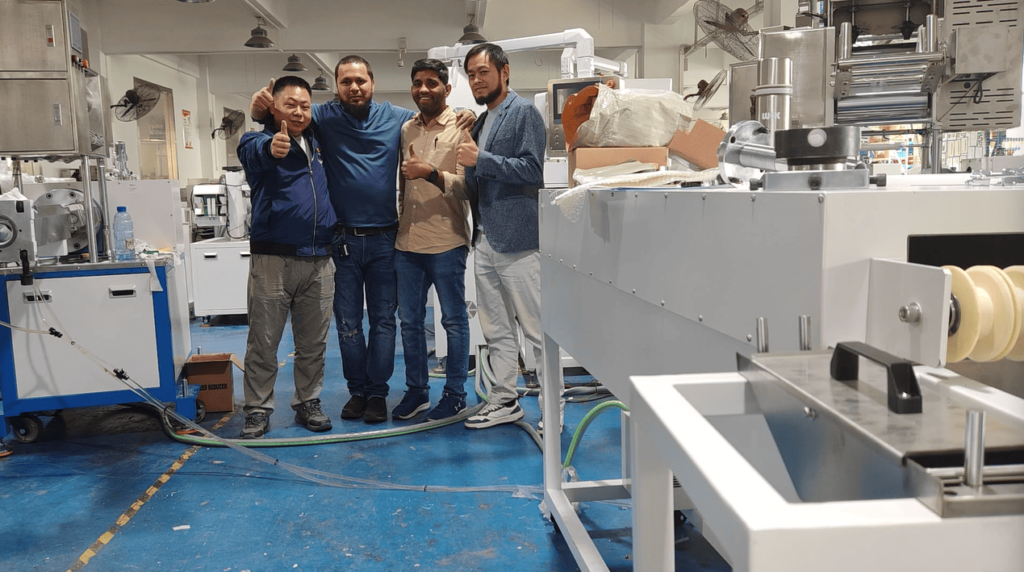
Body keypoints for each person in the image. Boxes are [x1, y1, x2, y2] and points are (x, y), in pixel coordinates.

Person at [250, 58, 474, 425]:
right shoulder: (324, 116)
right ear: (336, 86)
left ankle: (378, 393)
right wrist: (261, 113)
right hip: (343, 241)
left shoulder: (398, 118)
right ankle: (358, 391)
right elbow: (292, 114)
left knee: (386, 323)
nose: (354, 87)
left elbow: (433, 110)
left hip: (388, 239)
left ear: (372, 82)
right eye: (346, 81)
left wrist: (467, 113)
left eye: (360, 80)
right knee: (349, 325)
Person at [456, 43, 564, 431]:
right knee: (497, 329)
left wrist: (480, 160)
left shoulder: (524, 113)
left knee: (537, 330)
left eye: (483, 72)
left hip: (519, 243)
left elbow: (533, 170)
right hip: (485, 240)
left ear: (505, 72)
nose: (476, 80)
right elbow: (477, 179)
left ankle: (553, 408)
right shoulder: (481, 123)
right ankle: (504, 399)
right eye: (471, 75)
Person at [236, 76, 337, 438]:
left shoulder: (318, 141)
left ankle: (308, 401)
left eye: (305, 105)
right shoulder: (255, 141)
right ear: (273, 108)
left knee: (314, 343)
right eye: (289, 104)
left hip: (320, 260)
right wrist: (271, 146)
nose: (298, 112)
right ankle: (257, 409)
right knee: (264, 341)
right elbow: (256, 151)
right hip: (273, 261)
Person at [391, 59, 471, 422]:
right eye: (417, 83)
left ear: (446, 89)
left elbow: (468, 187)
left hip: (446, 241)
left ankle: (455, 395)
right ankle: (417, 392)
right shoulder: (406, 129)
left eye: (432, 83)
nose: (423, 89)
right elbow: (401, 182)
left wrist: (431, 173)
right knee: (409, 322)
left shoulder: (463, 127)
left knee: (453, 321)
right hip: (407, 242)